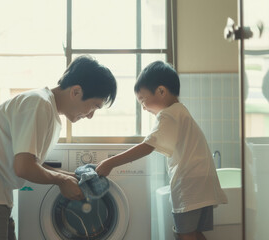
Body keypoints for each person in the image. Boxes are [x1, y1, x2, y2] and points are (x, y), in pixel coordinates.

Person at [0, 55, 117, 240]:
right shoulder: (38, 104)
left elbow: (30, 162)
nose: (90, 115)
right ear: (76, 92)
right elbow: (24, 168)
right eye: (93, 106)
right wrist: (61, 180)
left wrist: (71, 177)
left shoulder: (47, 109)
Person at [96, 60, 227, 240]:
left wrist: (110, 163)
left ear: (161, 91)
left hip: (190, 184)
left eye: (143, 100)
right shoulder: (181, 111)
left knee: (184, 234)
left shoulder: (168, 114)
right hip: (203, 182)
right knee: (195, 233)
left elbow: (147, 147)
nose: (143, 107)